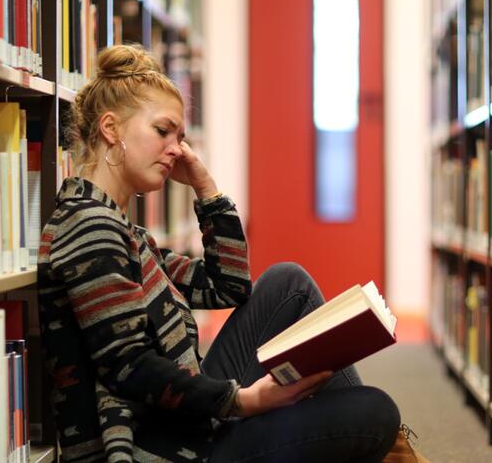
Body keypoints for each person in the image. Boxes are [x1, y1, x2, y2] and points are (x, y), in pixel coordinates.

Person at [37, 44, 427, 462]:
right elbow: (131, 367)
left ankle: (386, 450)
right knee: (375, 413)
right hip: (155, 447)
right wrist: (243, 401)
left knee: (288, 283)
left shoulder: (123, 230)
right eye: (163, 131)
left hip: (176, 420)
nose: (176, 149)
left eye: (181, 137)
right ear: (111, 129)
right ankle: (389, 450)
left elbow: (229, 287)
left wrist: (207, 191)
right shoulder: (90, 229)